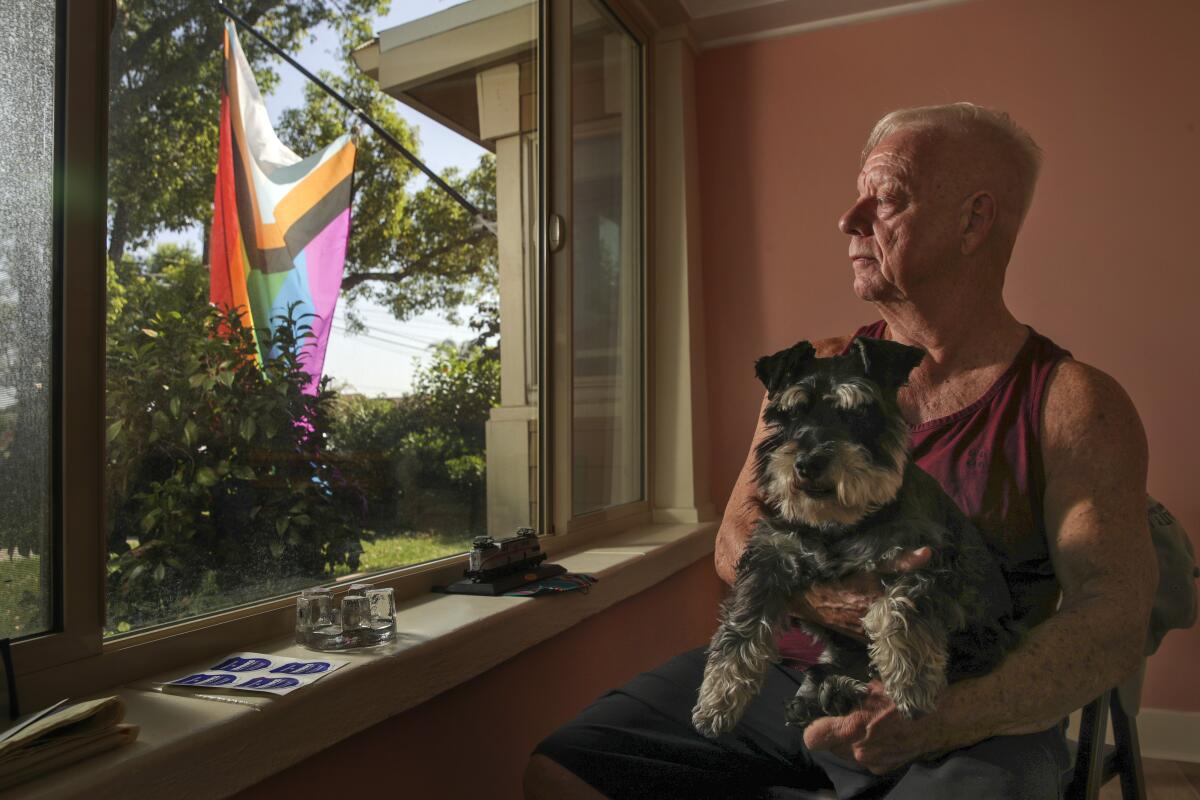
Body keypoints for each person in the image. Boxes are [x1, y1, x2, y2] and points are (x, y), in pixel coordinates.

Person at [524, 103, 1158, 799]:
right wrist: (833, 601)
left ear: (974, 222)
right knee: (565, 770)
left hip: (968, 702)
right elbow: (736, 538)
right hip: (790, 675)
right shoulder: (813, 371)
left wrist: (941, 719)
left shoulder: (1072, 402)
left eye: (885, 197)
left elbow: (1113, 612)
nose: (849, 218)